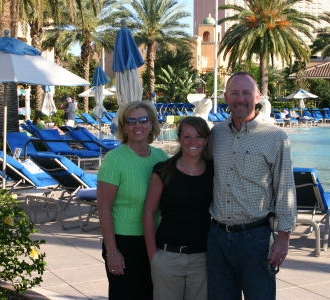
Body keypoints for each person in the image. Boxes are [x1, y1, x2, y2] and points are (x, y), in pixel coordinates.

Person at [207, 72, 296, 300]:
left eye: (246, 93)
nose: (240, 99)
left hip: (255, 239)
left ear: (257, 97)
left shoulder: (276, 137)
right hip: (217, 237)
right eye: (234, 93)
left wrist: (283, 237)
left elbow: (285, 188)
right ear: (226, 97)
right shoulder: (216, 134)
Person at [97, 100, 168, 299]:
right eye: (131, 121)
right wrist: (112, 252)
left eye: (143, 120)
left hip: (154, 240)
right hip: (124, 243)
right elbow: (103, 207)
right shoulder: (115, 158)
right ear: (124, 127)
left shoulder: (161, 157)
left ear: (152, 124)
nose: (138, 125)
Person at [142, 117, 213, 300]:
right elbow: (149, 213)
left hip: (202, 258)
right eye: (187, 136)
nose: (192, 142)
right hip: (168, 256)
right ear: (179, 139)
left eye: (198, 137)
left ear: (205, 140)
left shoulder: (213, 172)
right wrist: (154, 257)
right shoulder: (163, 171)